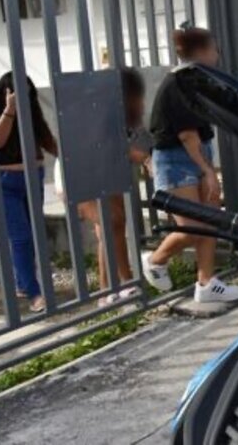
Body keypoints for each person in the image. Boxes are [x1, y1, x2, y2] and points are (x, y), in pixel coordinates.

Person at [142, 27, 238, 303]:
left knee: (209, 222)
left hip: (195, 153)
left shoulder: (194, 79)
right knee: (192, 226)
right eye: (214, 48)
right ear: (200, 52)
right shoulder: (181, 82)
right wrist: (208, 171)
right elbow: (186, 134)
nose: (217, 54)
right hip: (177, 159)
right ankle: (155, 260)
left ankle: (206, 283)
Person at [0, 72, 57, 312]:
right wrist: (9, 110)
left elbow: (45, 138)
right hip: (1, 180)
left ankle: (23, 283)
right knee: (20, 237)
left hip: (33, 177)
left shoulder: (30, 109)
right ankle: (34, 294)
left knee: (31, 234)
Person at [75, 67, 151, 307]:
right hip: (85, 172)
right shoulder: (98, 111)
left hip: (105, 171)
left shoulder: (110, 111)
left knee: (110, 229)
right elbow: (111, 145)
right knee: (112, 224)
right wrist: (145, 159)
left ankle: (107, 291)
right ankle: (125, 282)